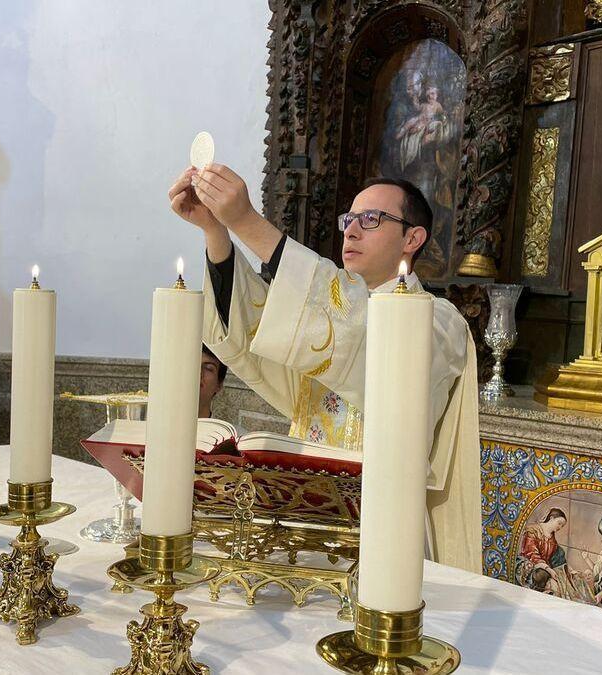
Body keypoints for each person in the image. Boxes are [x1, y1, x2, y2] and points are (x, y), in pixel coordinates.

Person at [168, 163, 480, 572]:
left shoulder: (440, 322)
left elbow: (363, 331)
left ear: (412, 238)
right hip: (301, 521)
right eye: (349, 220)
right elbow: (251, 332)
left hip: (383, 532)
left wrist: (247, 222)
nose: (350, 231)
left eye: (371, 220)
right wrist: (217, 232)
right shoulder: (313, 319)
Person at [199, 345, 227, 420]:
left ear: (219, 384)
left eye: (208, 368)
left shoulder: (235, 432)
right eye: (191, 364)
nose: (198, 373)